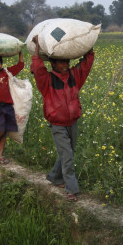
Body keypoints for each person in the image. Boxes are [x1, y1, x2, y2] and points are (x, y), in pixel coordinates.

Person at [30, 35, 94, 202]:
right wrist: (37, 44)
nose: (65, 65)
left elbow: (86, 63)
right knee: (67, 155)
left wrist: (88, 43)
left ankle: (54, 177)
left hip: (72, 122)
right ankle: (71, 189)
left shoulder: (75, 76)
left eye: (67, 62)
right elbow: (37, 67)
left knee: (68, 152)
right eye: (61, 62)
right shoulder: (46, 80)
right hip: (57, 124)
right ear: (52, 63)